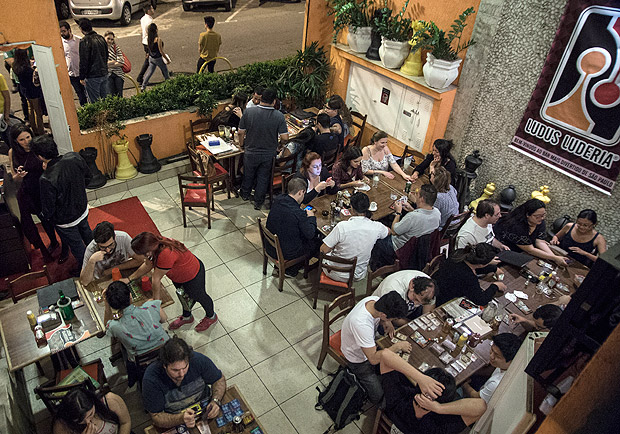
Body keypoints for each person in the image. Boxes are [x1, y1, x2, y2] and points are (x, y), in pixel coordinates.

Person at [341, 292, 443, 404]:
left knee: (397, 368)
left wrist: (386, 322)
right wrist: (397, 346)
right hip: (357, 359)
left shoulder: (375, 301)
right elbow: (373, 359)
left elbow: (381, 321)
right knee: (379, 397)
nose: (392, 321)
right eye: (392, 318)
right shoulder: (361, 324)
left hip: (370, 345)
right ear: (383, 314)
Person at [128, 232, 218, 332]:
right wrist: (129, 278)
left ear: (147, 251)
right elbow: (148, 264)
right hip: (178, 276)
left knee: (200, 296)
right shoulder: (155, 244)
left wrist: (156, 304)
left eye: (141, 254)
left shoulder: (165, 254)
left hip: (192, 275)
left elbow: (156, 278)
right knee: (184, 296)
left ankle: (211, 316)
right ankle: (187, 317)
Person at [380, 351, 486, 434]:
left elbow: (385, 355)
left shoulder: (401, 399)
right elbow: (481, 406)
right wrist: (438, 408)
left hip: (397, 425)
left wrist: (420, 377)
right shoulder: (440, 427)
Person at [32, 135, 93, 272]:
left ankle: (86, 269)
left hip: (65, 219)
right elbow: (88, 177)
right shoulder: (74, 157)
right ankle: (99, 257)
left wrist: (42, 215)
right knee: (87, 234)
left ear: (40, 157)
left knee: (77, 245)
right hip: (82, 207)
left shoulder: (46, 178)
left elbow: (49, 208)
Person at [8, 125, 64, 263]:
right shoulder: (12, 152)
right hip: (27, 190)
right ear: (16, 141)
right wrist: (19, 176)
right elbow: (14, 177)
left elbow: (51, 166)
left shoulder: (38, 148)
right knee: (35, 220)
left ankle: (61, 244)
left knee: (51, 218)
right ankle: (48, 245)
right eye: (22, 139)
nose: (26, 141)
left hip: (42, 188)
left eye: (28, 137)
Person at [142, 337, 226, 429]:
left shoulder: (199, 360)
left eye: (185, 367)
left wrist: (215, 401)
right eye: (175, 370)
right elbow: (156, 416)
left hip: (205, 408)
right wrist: (180, 418)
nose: (181, 374)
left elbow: (219, 379)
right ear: (164, 366)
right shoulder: (151, 379)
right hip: (175, 417)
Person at [104, 281, 169, 380]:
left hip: (141, 361)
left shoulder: (115, 326)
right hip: (167, 350)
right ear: (130, 295)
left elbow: (106, 324)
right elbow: (164, 319)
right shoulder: (151, 306)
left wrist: (106, 304)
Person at [238, 88, 289, 210]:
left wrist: (241, 145)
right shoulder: (279, 116)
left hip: (250, 152)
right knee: (263, 177)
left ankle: (245, 194)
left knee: (248, 174)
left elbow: (240, 132)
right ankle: (258, 201)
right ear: (274, 101)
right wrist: (280, 145)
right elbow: (285, 138)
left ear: (261, 99)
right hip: (268, 154)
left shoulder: (249, 112)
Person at [320, 192, 388, 282]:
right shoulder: (377, 227)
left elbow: (323, 250)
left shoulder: (342, 226)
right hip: (358, 273)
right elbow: (389, 231)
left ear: (351, 208)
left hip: (335, 272)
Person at [370, 184, 440, 270]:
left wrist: (398, 212)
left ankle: (375, 266)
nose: (415, 195)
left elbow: (394, 231)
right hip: (420, 247)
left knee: (377, 237)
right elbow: (423, 219)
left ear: (422, 199)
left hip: (400, 248)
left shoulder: (413, 217)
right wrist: (411, 209)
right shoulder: (437, 213)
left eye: (417, 194)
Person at [265, 177, 319, 277]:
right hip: (285, 252)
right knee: (316, 242)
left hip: (270, 246)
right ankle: (292, 269)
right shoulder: (298, 214)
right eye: (304, 193)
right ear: (300, 192)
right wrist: (311, 217)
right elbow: (310, 234)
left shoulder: (279, 199)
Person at [494, 199, 569, 266]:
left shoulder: (539, 222)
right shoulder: (516, 226)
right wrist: (554, 258)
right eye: (537, 216)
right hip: (505, 252)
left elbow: (540, 242)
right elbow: (530, 249)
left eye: (543, 215)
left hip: (523, 252)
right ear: (527, 215)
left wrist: (555, 258)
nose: (541, 218)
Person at [433, 243, 506, 307]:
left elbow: (476, 267)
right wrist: (495, 286)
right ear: (481, 264)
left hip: (436, 283)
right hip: (441, 298)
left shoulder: (459, 253)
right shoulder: (468, 277)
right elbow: (480, 300)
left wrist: (494, 269)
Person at [462, 333, 522, 403]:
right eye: (492, 350)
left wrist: (464, 383)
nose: (491, 356)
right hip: (484, 384)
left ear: (511, 361)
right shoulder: (505, 365)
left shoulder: (496, 384)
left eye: (497, 355)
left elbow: (476, 397)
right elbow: (491, 370)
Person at [80, 221, 142, 286]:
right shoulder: (91, 249)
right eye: (102, 247)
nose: (108, 250)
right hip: (102, 280)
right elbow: (84, 282)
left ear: (115, 237)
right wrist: (92, 261)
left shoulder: (123, 237)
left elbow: (140, 260)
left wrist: (112, 270)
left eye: (110, 245)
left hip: (122, 273)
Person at [52, 387, 131, 434]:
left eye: (90, 414)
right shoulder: (61, 425)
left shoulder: (110, 400)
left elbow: (125, 422)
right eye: (81, 420)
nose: (88, 422)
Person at [11, 49, 45, 135]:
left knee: (30, 109)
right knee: (38, 111)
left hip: (24, 90)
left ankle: (34, 129)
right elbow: (33, 76)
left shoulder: (16, 66)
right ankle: (40, 131)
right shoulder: (27, 69)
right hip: (33, 90)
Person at [78, 19, 108, 103]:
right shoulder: (101, 38)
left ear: (81, 29)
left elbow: (84, 61)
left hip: (92, 76)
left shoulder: (84, 41)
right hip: (104, 73)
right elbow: (106, 55)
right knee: (105, 100)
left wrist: (82, 77)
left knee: (95, 102)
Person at [60, 21, 88, 106]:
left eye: (64, 31)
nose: (62, 34)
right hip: (71, 74)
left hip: (82, 72)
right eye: (61, 32)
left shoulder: (79, 40)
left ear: (69, 30)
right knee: (80, 94)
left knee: (88, 92)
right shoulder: (61, 43)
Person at [141, 23, 170, 91]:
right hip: (158, 58)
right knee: (165, 71)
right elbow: (161, 51)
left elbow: (148, 48)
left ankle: (143, 86)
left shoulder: (149, 38)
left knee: (149, 72)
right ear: (156, 30)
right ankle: (169, 84)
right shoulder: (158, 39)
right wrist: (167, 59)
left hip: (151, 58)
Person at [137, 5, 155, 85]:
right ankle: (140, 77)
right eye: (152, 9)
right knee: (149, 60)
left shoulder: (143, 19)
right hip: (149, 42)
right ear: (148, 10)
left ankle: (166, 72)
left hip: (144, 41)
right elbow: (150, 33)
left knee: (152, 59)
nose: (153, 10)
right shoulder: (149, 21)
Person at [103, 31, 125, 97]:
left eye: (112, 39)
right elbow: (102, 64)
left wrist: (108, 64)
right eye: (108, 39)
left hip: (119, 74)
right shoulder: (101, 49)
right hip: (108, 74)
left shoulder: (116, 48)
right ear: (104, 38)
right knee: (111, 95)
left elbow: (121, 62)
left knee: (119, 95)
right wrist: (114, 61)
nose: (110, 41)